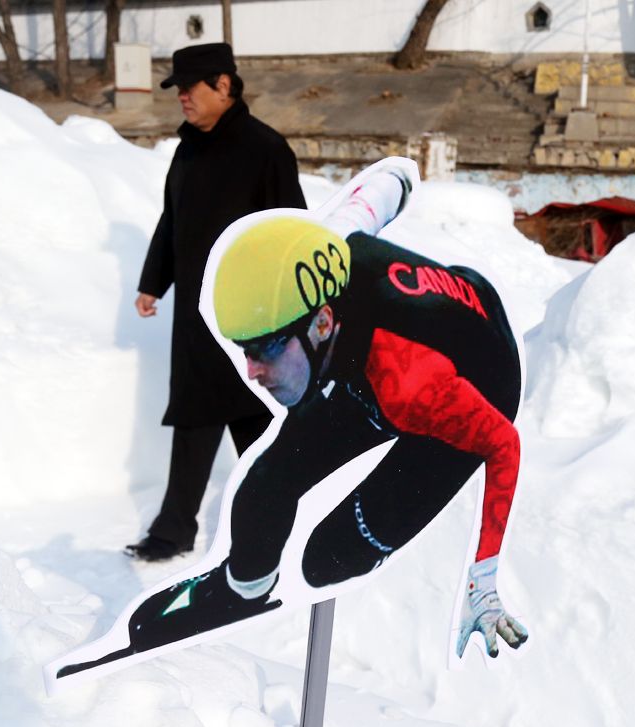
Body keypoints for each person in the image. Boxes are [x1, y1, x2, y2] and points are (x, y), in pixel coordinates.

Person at [56, 163, 528, 679]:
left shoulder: (412, 384)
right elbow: (372, 199)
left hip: (478, 379)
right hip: (373, 346)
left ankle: (335, 551)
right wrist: (402, 178)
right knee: (264, 486)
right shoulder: (323, 247)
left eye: (265, 350)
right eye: (244, 351)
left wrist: (483, 580)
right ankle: (244, 587)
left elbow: (504, 445)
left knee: (331, 558)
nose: (252, 372)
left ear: (321, 323)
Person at [127, 42, 307, 562]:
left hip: (248, 318)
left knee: (254, 425)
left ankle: (272, 526)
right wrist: (152, 282)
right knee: (197, 416)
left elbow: (290, 231)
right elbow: (172, 220)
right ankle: (178, 529)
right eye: (177, 88)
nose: (181, 96)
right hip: (194, 319)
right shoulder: (187, 150)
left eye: (190, 87)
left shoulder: (265, 149)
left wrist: (287, 311)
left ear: (223, 85)